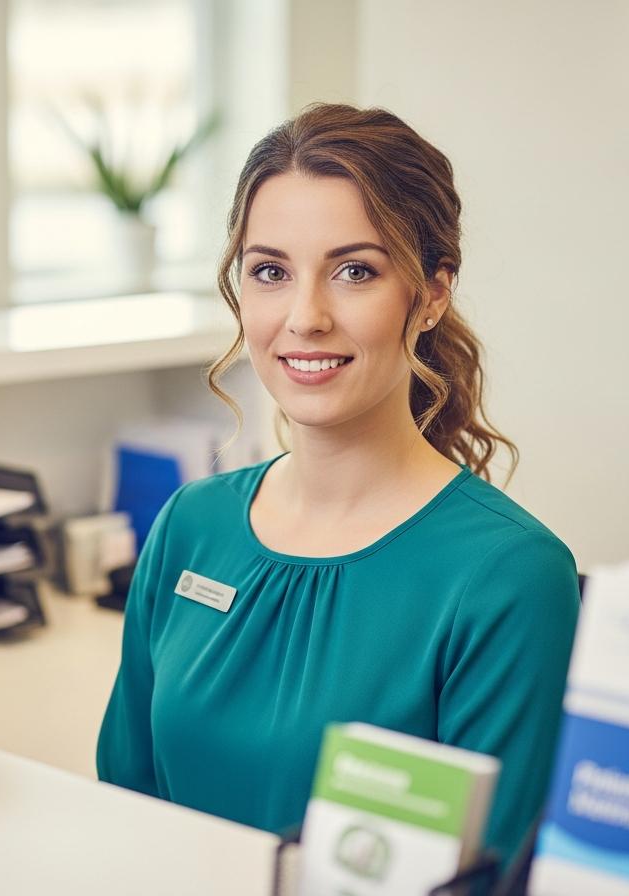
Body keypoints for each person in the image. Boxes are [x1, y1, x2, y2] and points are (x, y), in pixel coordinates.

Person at [95, 103, 580, 867]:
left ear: (430, 294)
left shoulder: (510, 577)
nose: (305, 317)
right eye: (270, 272)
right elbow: (124, 799)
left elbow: (487, 876)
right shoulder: (191, 524)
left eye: (355, 271)